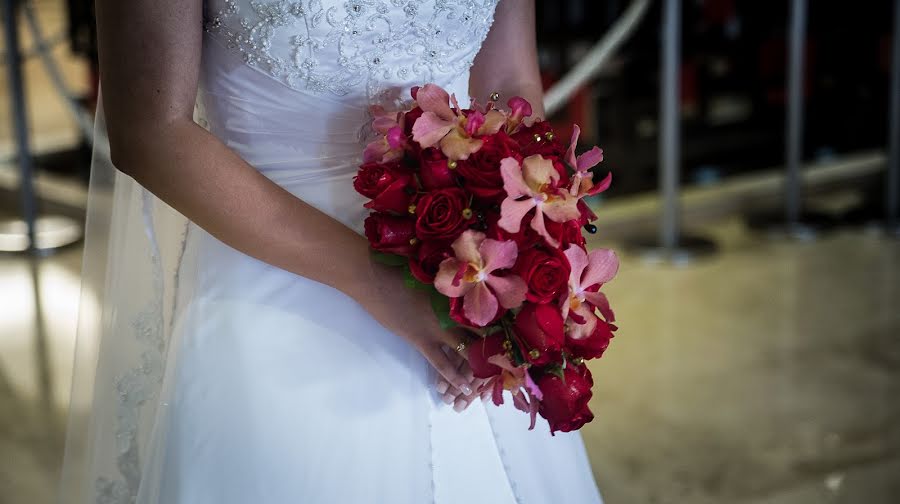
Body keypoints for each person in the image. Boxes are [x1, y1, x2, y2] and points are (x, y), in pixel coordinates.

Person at [59, 1, 604, 502]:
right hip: (268, 268)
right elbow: (150, 131)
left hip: (462, 269)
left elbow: (509, 80)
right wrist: (374, 280)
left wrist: (521, 252)